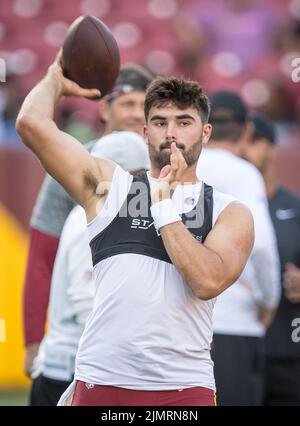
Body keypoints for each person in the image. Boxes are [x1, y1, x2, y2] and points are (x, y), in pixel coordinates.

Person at [16, 53, 254, 406]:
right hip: (102, 382)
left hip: (183, 389)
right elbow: (31, 124)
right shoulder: (110, 188)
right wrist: (55, 79)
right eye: (159, 122)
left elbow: (207, 282)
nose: (171, 132)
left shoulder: (228, 211)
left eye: (184, 121)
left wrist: (162, 206)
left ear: (205, 132)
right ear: (144, 131)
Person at [23, 64, 154, 378]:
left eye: (144, 106)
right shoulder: (69, 162)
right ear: (105, 109)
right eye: (127, 103)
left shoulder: (168, 166)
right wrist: (32, 341)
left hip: (141, 342)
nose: (137, 114)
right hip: (81, 338)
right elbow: (43, 257)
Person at [29, 132, 150, 406]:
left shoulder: (97, 213)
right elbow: (90, 305)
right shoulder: (98, 220)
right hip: (72, 371)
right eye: (141, 174)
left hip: (74, 367)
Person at [196, 91, 280, 406]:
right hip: (236, 320)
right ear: (246, 132)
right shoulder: (244, 174)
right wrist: (269, 300)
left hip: (181, 321)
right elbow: (262, 246)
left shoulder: (180, 168)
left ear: (204, 127)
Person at [245, 112, 300, 406]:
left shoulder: (295, 207)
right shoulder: (224, 205)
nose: (246, 149)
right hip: (235, 346)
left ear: (273, 148)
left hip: (288, 352)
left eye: (255, 141)